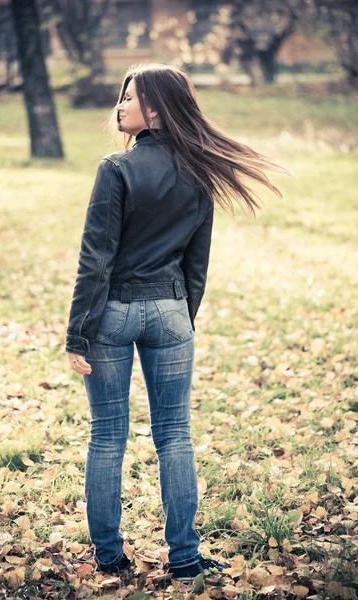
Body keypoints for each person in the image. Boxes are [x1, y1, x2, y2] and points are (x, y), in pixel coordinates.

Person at [66, 62, 289, 583]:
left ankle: (108, 558)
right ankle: (185, 558)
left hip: (113, 314)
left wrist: (78, 331)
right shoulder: (199, 170)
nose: (119, 105)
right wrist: (180, 318)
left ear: (158, 111)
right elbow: (197, 261)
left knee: (107, 435)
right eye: (121, 96)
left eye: (130, 96)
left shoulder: (114, 170)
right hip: (170, 312)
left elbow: (96, 258)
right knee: (175, 434)